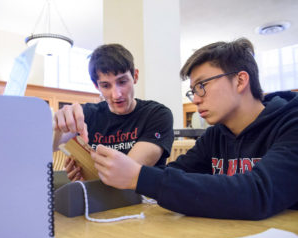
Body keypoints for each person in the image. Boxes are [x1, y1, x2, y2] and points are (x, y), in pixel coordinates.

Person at [91, 38, 298, 220]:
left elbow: (258, 193)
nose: (196, 99)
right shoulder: (216, 135)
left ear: (240, 80)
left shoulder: (291, 123)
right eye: (193, 91)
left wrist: (139, 177)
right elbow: (175, 172)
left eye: (202, 85)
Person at [53, 44, 174, 181]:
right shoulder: (87, 114)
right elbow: (48, 147)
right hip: (97, 198)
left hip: (143, 200)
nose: (116, 95)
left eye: (122, 82)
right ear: (96, 86)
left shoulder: (156, 114)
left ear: (135, 76)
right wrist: (57, 126)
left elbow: (127, 174)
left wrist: (89, 177)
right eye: (105, 86)